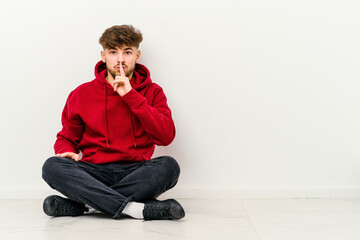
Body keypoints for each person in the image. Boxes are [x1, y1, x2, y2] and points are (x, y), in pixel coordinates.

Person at [42, 25, 185, 221]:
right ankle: (136, 209)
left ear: (137, 55)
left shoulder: (153, 92)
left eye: (127, 52)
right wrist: (65, 149)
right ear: (103, 56)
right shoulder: (81, 94)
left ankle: (87, 204)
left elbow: (166, 136)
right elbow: (67, 137)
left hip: (136, 171)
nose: (120, 59)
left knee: (169, 166)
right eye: (112, 52)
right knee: (52, 166)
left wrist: (131, 96)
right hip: (93, 172)